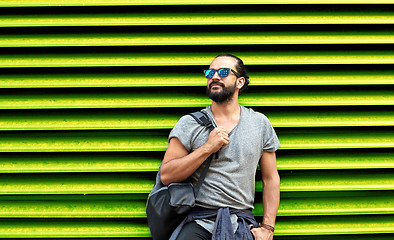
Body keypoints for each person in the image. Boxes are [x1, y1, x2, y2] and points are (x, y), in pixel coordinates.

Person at [160, 54, 281, 240]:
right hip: (199, 220)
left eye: (223, 72)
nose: (214, 77)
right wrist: (207, 148)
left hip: (241, 222)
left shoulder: (260, 123)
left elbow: (270, 178)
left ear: (240, 82)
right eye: (210, 73)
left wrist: (267, 227)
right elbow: (167, 175)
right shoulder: (189, 124)